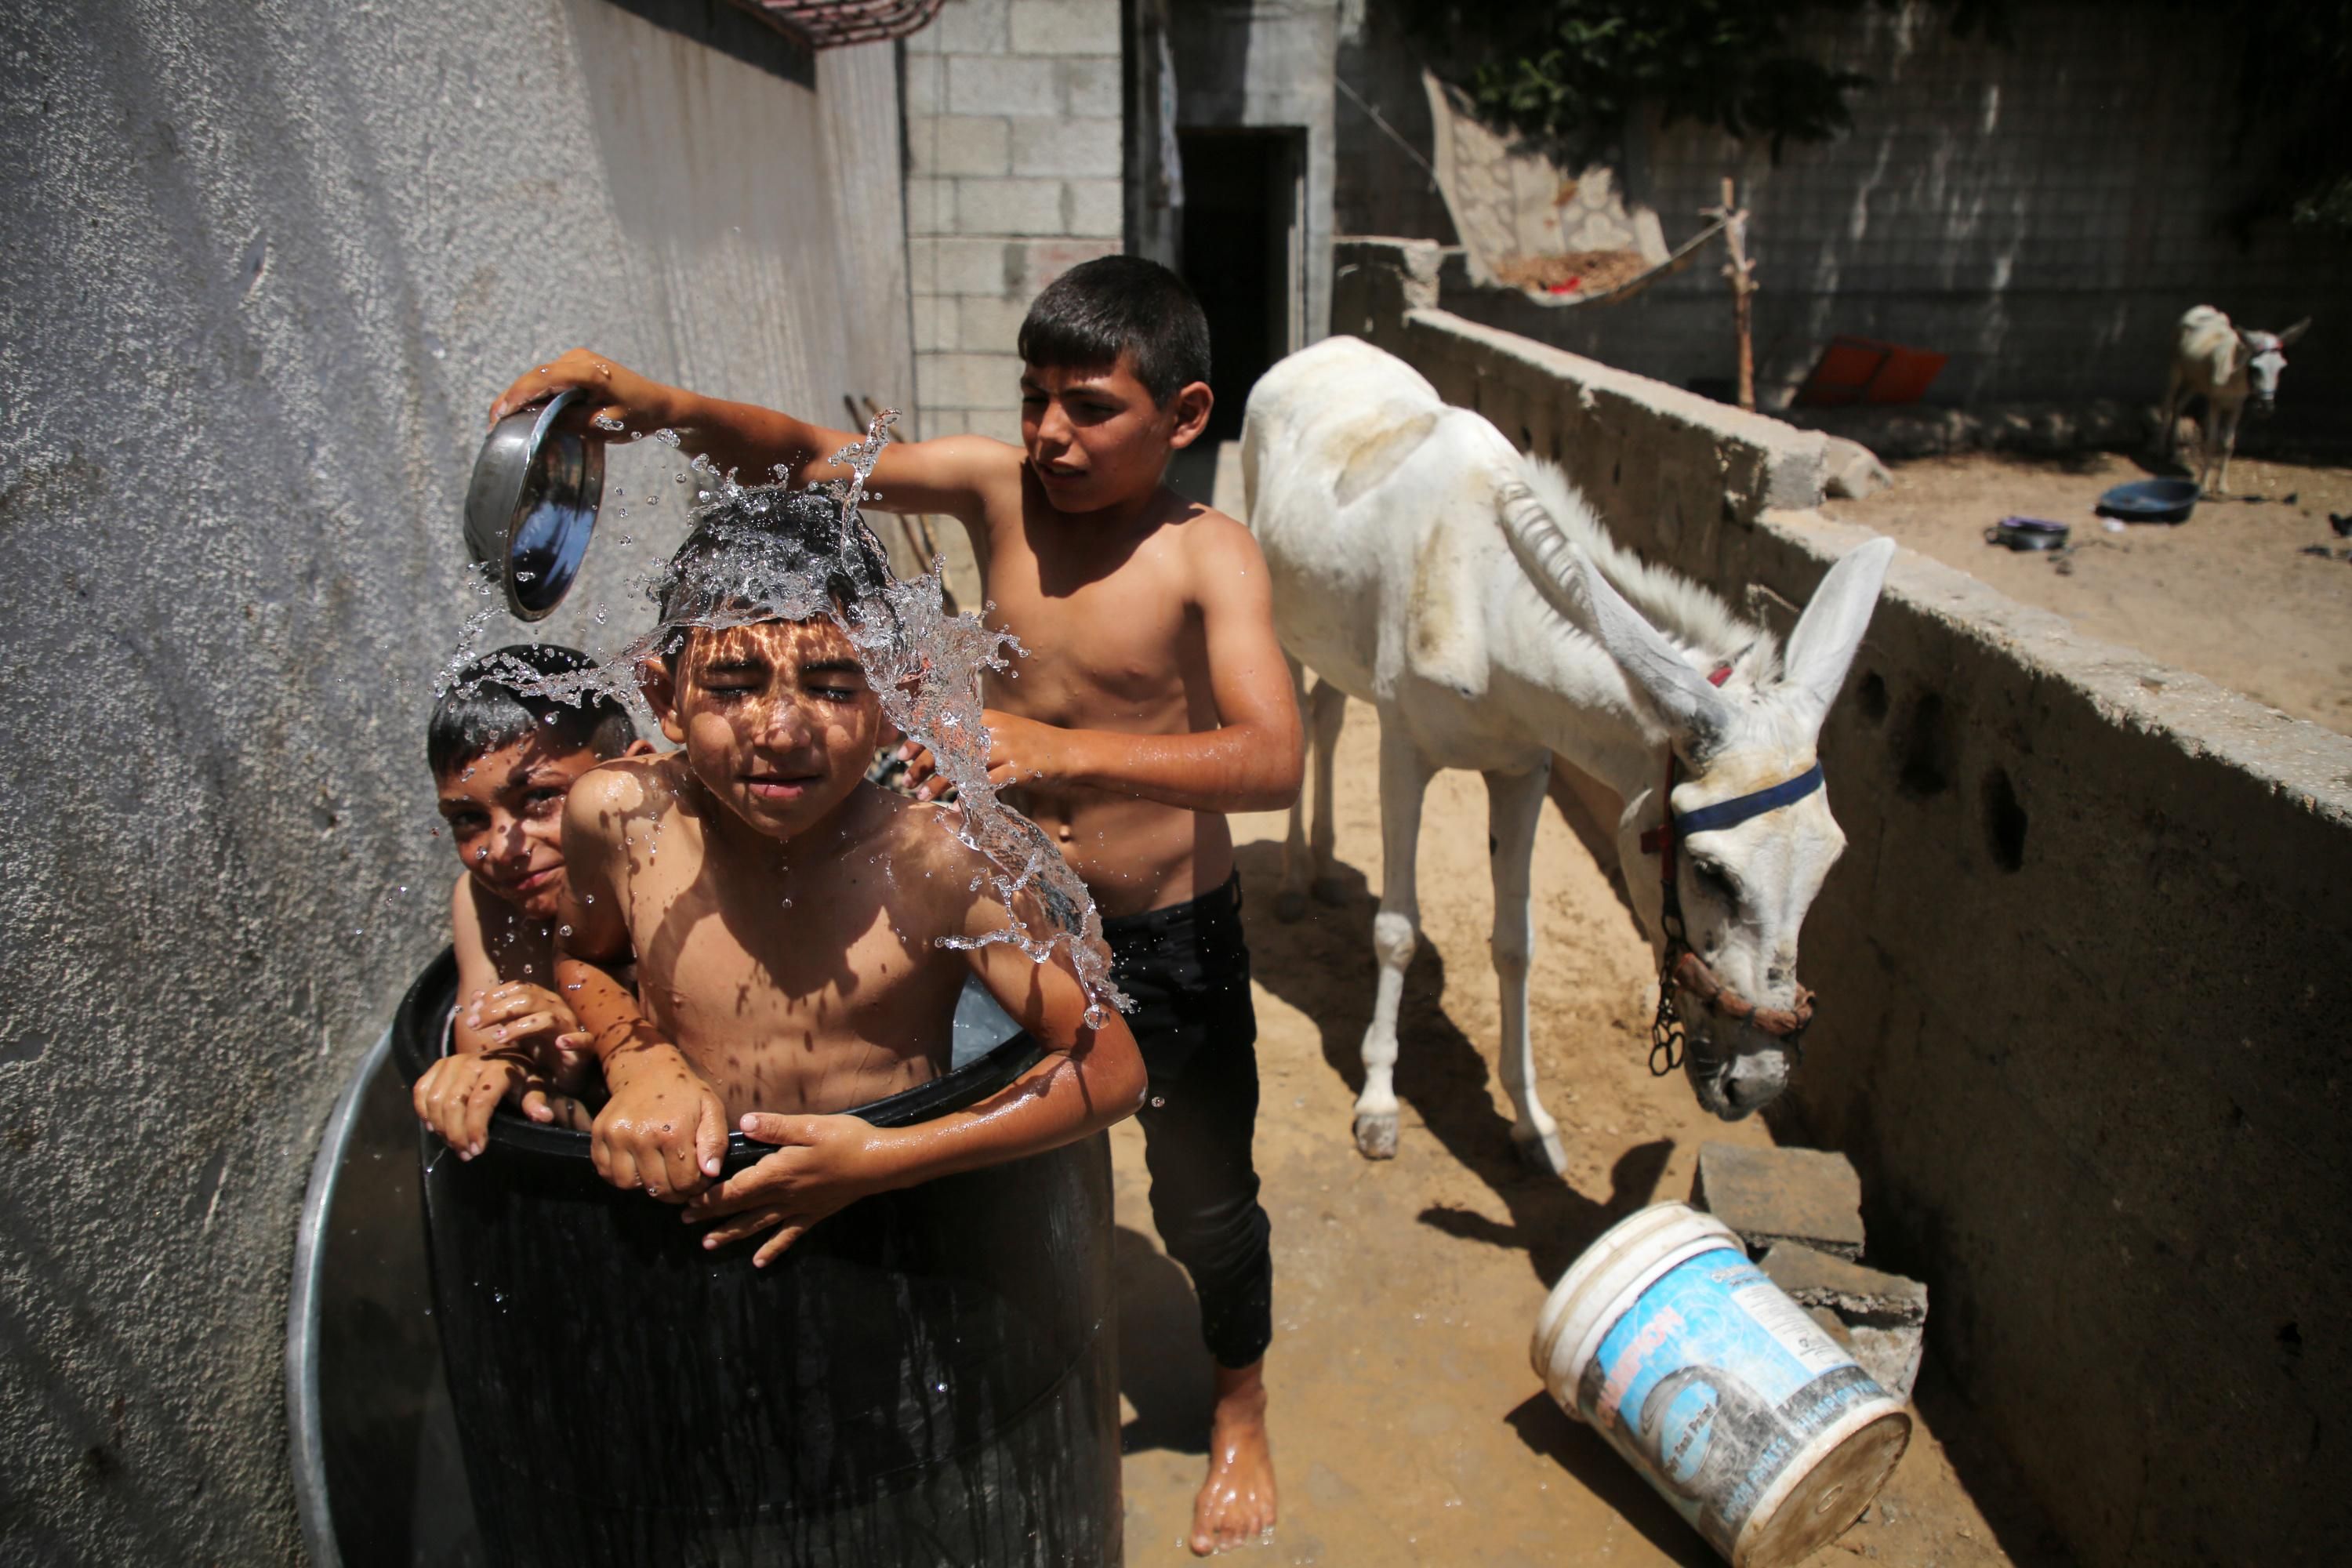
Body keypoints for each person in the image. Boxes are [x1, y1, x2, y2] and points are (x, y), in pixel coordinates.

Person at [489, 254, 1304, 1554]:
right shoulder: (1000, 490)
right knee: (1027, 1144)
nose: (1051, 433)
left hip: (1160, 929)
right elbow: (812, 461)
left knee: (1204, 1195)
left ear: (1187, 417)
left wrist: (1058, 751)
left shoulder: (1206, 557)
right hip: (1004, 909)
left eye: (1090, 406)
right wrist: (662, 404)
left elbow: (1272, 763)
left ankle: (1239, 1398)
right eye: (1036, 398)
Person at [548, 491, 1149, 1267]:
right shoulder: (620, 818)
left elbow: (1111, 1067)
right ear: (665, 698)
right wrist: (637, 1062)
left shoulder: (940, 860)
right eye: (733, 684)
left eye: (833, 687)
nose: (781, 729)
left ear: (894, 704)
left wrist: (883, 1158)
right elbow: (579, 958)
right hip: (703, 1211)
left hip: (899, 1219)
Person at [412, 644, 645, 1156]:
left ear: (632, 778)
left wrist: (596, 1036)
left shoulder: (689, 879)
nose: (501, 849)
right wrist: (540, 1068)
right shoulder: (486, 904)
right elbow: (496, 1064)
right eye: (468, 819)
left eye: (539, 798)